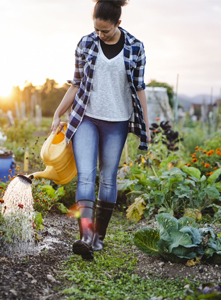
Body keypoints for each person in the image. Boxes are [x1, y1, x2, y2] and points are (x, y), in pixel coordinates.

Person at [51, 0, 151, 260]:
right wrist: (58, 112)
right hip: (86, 117)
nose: (100, 34)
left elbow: (140, 89)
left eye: (105, 30)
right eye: (96, 29)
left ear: (118, 23)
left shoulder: (135, 47)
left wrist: (146, 127)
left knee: (108, 178)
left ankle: (98, 238)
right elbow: (76, 83)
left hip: (117, 121)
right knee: (85, 175)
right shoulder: (85, 44)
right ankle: (84, 235)